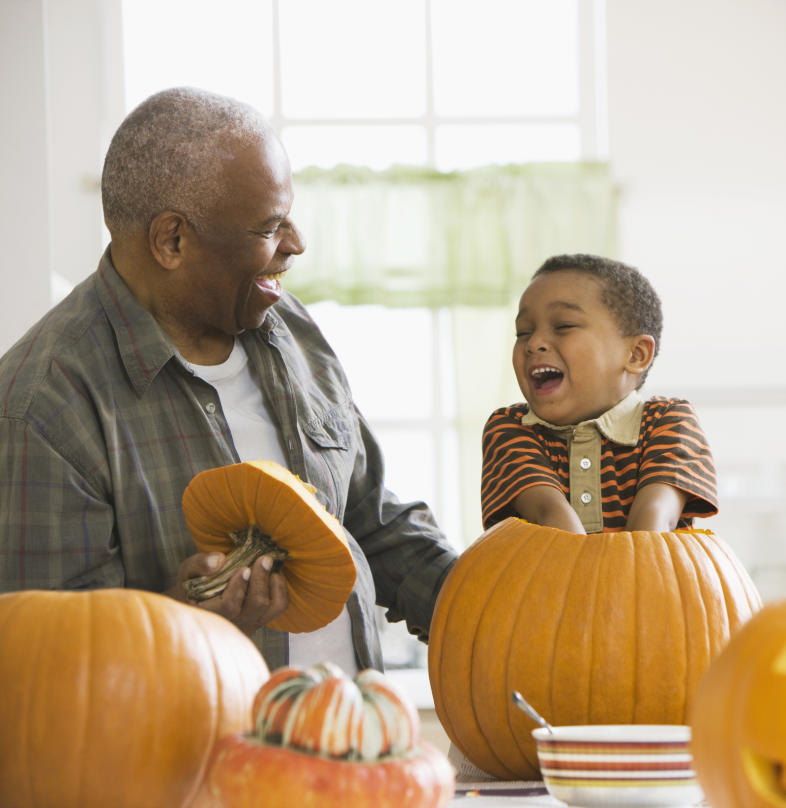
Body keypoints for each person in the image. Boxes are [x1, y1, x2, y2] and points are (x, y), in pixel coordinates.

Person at [0, 87, 458, 672]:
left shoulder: (289, 327)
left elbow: (369, 519)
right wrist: (187, 621)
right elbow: (45, 667)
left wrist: (491, 599)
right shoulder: (45, 403)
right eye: (269, 227)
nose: (295, 245)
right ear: (172, 241)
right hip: (200, 762)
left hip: (352, 747)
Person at [481, 253, 718, 534]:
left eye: (564, 326)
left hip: (645, 575)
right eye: (523, 332)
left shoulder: (669, 422)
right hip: (554, 576)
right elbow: (550, 517)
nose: (533, 343)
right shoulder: (510, 428)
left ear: (636, 354)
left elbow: (654, 523)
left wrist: (616, 576)